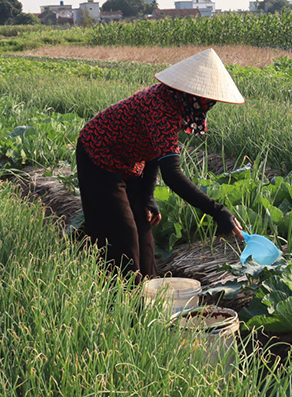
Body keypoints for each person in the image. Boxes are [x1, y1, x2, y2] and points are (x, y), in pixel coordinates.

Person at [75, 48, 245, 278]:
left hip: (129, 162)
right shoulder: (162, 106)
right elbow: (172, 174)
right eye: (206, 99)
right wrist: (217, 211)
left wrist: (147, 197)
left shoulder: (177, 102)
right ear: (191, 92)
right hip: (98, 155)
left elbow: (155, 151)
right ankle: (122, 296)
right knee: (123, 236)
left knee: (144, 235)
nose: (208, 105)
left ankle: (148, 291)